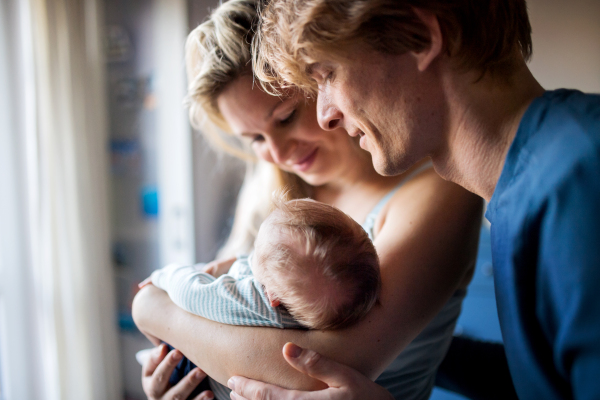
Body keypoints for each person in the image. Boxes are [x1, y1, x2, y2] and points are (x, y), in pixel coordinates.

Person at [223, 0, 600, 399]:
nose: (325, 115)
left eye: (328, 74)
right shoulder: (537, 180)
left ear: (420, 37)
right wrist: (416, 349)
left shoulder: (579, 183)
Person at [131, 0, 483, 399]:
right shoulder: (275, 194)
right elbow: (223, 307)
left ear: (324, 78)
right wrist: (177, 369)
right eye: (256, 139)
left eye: (285, 117)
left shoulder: (437, 192)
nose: (278, 153)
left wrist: (152, 308)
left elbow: (313, 371)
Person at [141, 198, 381, 398]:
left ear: (271, 296)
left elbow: (193, 293)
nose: (248, 255)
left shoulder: (253, 300)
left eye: (256, 250)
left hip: (203, 383)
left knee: (169, 356)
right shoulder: (310, 300)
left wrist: (164, 275)